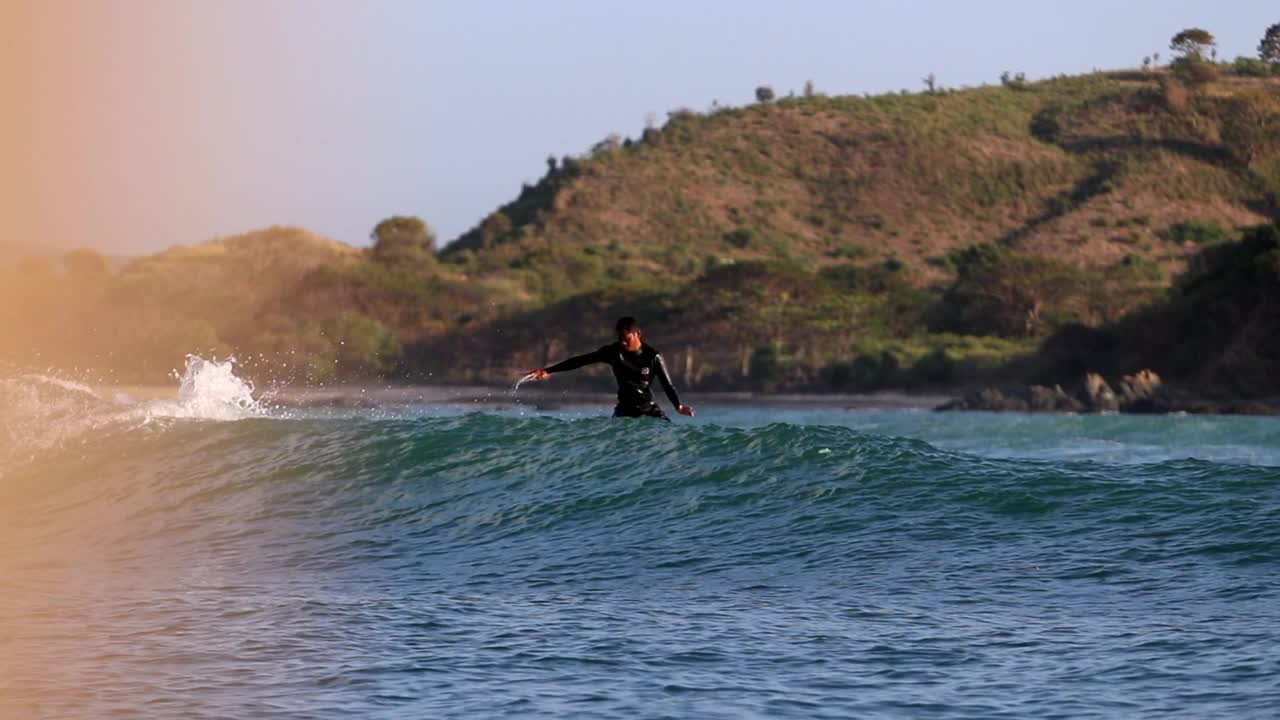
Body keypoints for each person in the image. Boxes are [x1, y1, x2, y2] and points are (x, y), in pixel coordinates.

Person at [525, 317, 695, 419]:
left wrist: (678, 406)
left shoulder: (652, 356)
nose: (621, 342)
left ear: (637, 334)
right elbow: (580, 360)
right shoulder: (613, 352)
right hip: (623, 411)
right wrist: (548, 370)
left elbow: (667, 384)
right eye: (619, 337)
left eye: (625, 338)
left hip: (648, 410)